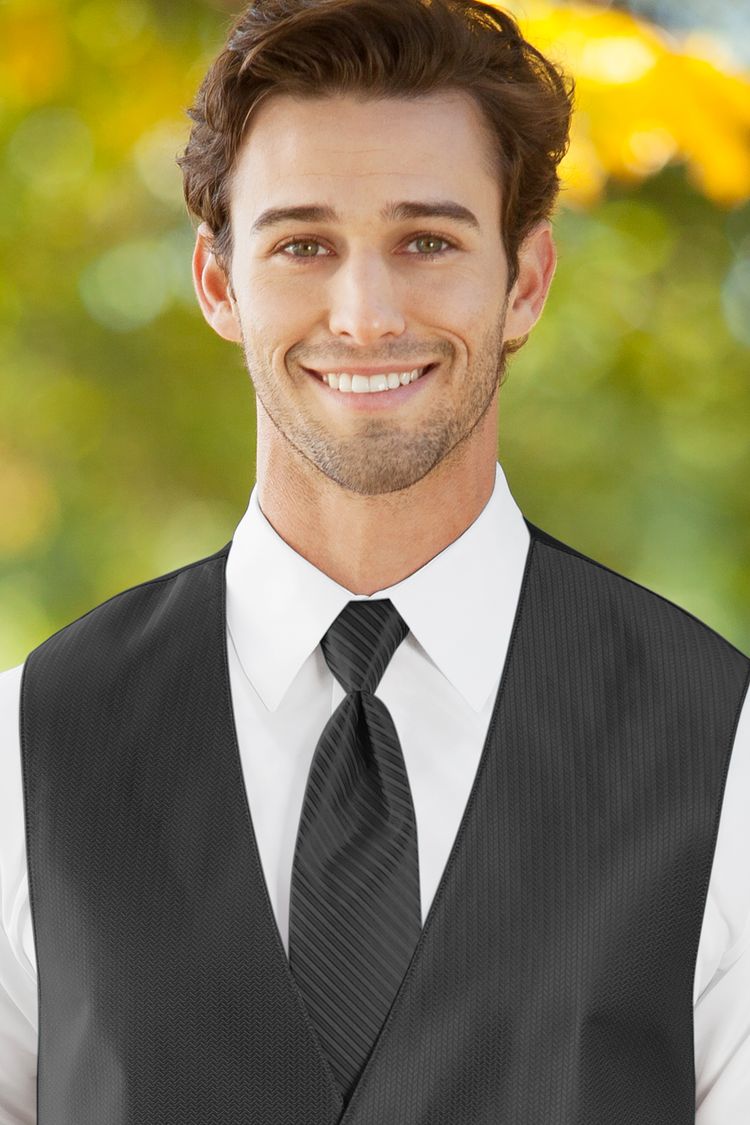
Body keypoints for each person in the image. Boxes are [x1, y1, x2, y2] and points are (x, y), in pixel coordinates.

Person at [0, 0, 748, 1120]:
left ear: (526, 283)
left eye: (428, 241)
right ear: (218, 283)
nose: (364, 314)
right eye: (304, 244)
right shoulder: (27, 748)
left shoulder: (726, 754)